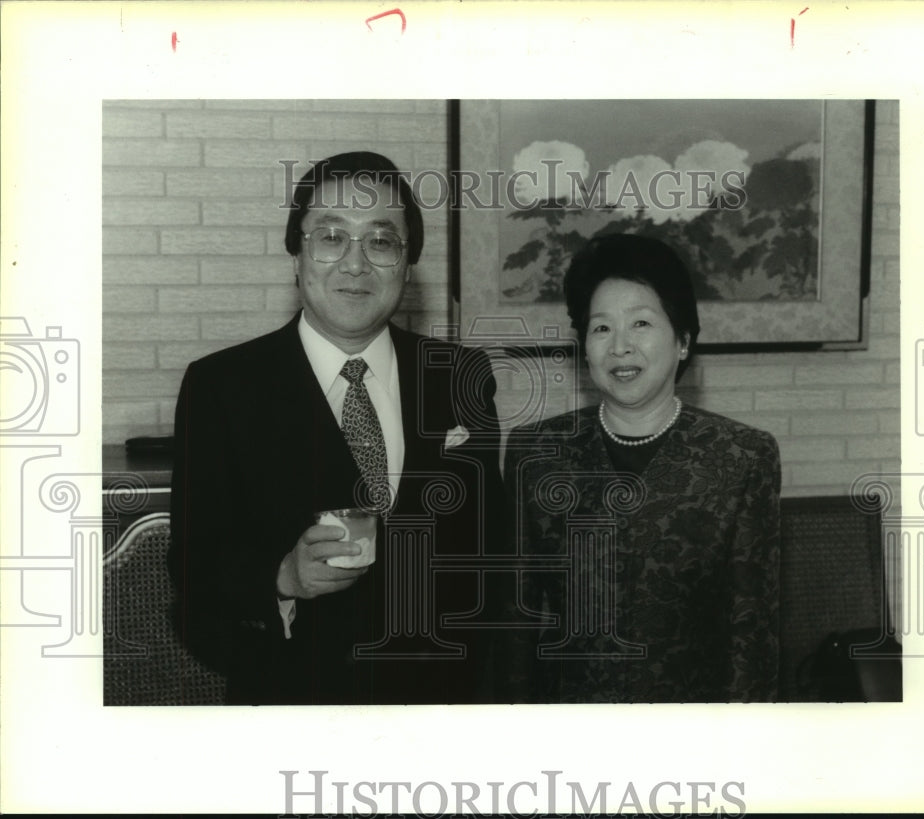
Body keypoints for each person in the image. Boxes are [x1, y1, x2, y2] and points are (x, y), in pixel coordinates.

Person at [168, 152, 503, 705]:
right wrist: (281, 577)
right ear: (296, 255)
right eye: (330, 237)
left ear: (407, 263)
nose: (354, 264)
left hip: (442, 704)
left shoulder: (460, 375)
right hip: (296, 699)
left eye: (380, 240)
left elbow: (488, 549)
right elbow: (193, 561)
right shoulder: (222, 387)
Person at [498, 233, 781, 703]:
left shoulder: (741, 457)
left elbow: (753, 636)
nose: (620, 347)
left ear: (683, 340)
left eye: (642, 323)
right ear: (584, 346)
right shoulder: (537, 451)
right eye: (601, 328)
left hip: (694, 735)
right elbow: (516, 623)